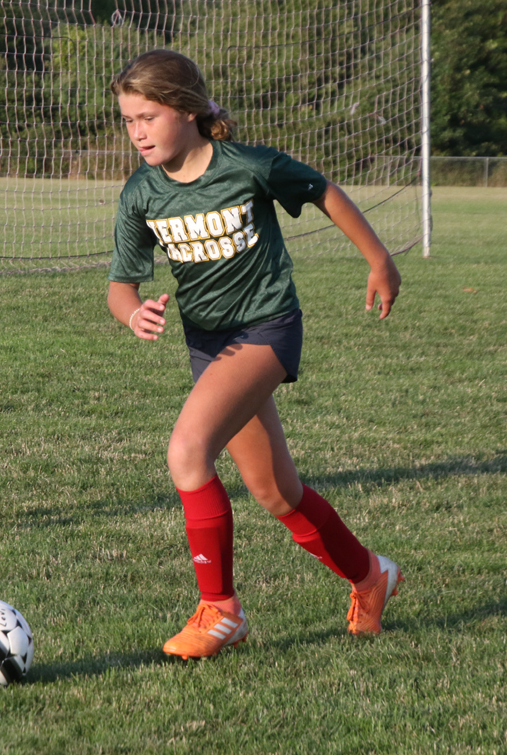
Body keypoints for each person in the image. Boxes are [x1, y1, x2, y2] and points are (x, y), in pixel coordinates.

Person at [106, 50, 404, 659]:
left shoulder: (248, 166)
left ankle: (220, 611)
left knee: (187, 451)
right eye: (127, 120)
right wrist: (132, 312)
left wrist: (379, 259)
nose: (136, 132)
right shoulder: (140, 194)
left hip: (268, 328)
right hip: (209, 346)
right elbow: (120, 287)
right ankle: (370, 576)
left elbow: (323, 191)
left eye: (147, 116)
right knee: (274, 490)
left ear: (187, 110)